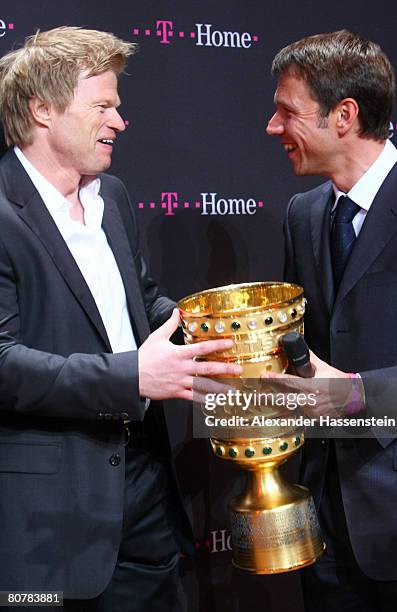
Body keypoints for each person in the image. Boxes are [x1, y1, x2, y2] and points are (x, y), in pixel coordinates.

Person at [0, 27, 241, 612]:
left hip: (147, 492)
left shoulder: (114, 199)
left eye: (119, 106)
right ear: (43, 110)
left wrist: (212, 328)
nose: (120, 121)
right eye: (103, 106)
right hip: (51, 517)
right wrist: (133, 376)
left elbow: (144, 303)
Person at [266, 30, 397, 612]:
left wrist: (354, 394)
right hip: (321, 520)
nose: (273, 127)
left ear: (344, 115)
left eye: (287, 111)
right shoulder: (303, 213)